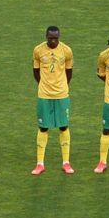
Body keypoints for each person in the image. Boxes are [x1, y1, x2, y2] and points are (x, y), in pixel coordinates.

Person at [30, 25, 74, 175]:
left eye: (56, 38)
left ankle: (66, 163)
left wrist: (61, 87)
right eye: (50, 38)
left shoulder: (66, 50)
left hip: (62, 95)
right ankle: (40, 163)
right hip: (44, 95)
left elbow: (69, 72)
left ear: (59, 37)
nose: (53, 41)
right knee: (43, 128)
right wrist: (45, 85)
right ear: (46, 37)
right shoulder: (38, 50)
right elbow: (35, 72)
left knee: (63, 126)